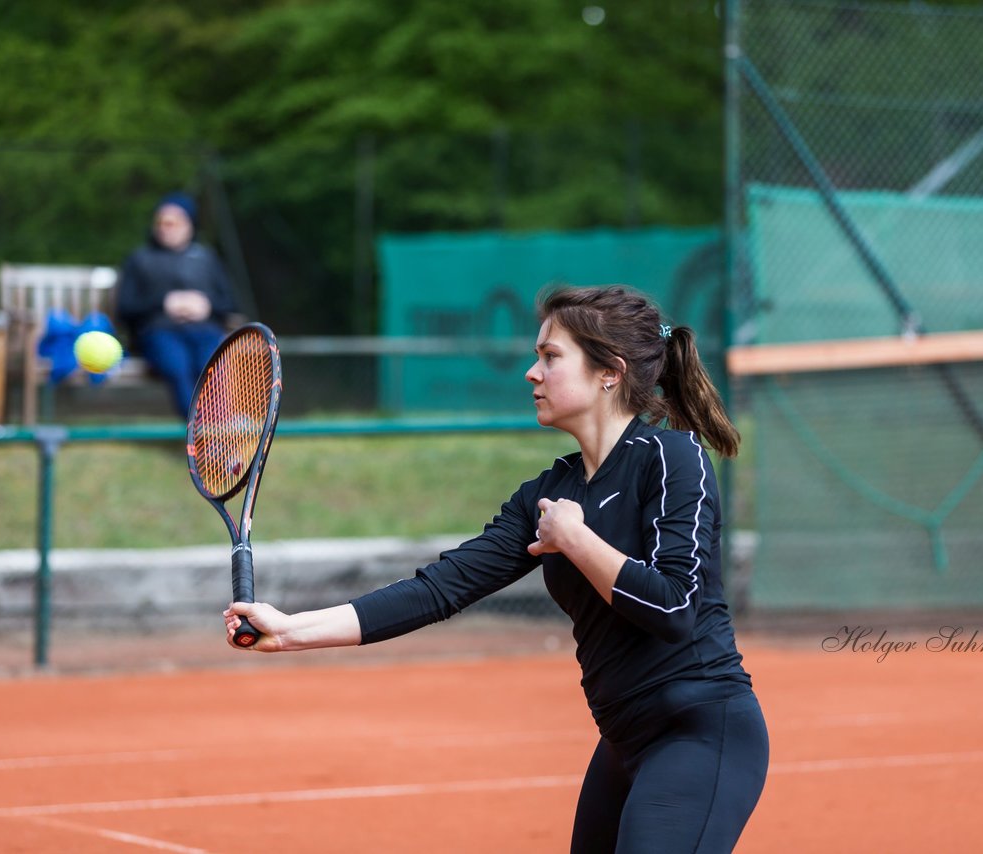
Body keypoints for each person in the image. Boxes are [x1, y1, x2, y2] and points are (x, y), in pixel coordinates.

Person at [224, 285, 769, 853]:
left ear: (609, 371)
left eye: (550, 357)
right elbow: (438, 589)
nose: (532, 373)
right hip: (624, 740)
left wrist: (577, 540)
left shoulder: (674, 459)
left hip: (700, 730)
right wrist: (289, 631)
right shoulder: (547, 493)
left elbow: (675, 607)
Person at [116, 191, 238, 419]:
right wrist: (164, 303)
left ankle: (218, 431)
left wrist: (206, 305)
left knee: (210, 366)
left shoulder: (206, 258)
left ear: (189, 224)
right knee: (177, 364)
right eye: (161, 221)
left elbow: (230, 303)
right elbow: (125, 308)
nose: (166, 227)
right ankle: (200, 431)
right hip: (158, 333)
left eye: (173, 222)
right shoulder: (140, 259)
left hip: (205, 332)